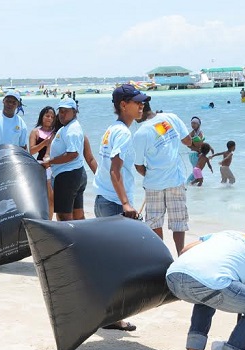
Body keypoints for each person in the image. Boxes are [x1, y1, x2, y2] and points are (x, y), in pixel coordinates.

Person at [92, 85, 150, 333]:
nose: (142, 106)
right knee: (119, 265)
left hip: (103, 199)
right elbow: (115, 171)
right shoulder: (123, 134)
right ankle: (113, 316)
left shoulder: (112, 129)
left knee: (110, 262)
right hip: (114, 203)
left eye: (142, 103)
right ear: (123, 105)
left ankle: (108, 315)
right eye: (137, 103)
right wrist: (126, 203)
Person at [133, 101, 192, 254]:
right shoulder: (171, 117)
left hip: (153, 184)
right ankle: (181, 256)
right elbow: (188, 141)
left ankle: (162, 257)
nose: (133, 118)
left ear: (140, 108)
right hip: (176, 181)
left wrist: (152, 175)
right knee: (179, 222)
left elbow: (138, 165)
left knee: (154, 222)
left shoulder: (140, 133)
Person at [41, 98, 85, 221]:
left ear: (74, 112)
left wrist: (50, 162)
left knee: (63, 215)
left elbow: (72, 154)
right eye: (60, 111)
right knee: (77, 214)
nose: (62, 114)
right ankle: (82, 238)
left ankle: (69, 240)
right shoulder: (68, 127)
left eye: (66, 111)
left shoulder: (72, 130)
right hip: (74, 174)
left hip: (68, 176)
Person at [29, 106, 56, 219]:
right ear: (42, 116)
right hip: (40, 166)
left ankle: (49, 221)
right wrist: (44, 143)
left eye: (52, 117)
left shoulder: (56, 132)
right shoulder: (35, 132)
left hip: (54, 165)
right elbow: (31, 151)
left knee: (52, 198)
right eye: (47, 116)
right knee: (40, 196)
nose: (49, 118)